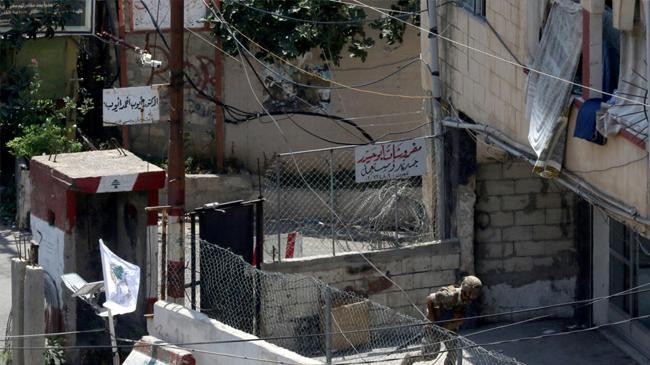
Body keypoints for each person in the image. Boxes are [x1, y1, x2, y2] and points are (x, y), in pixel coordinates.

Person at [401, 275, 482, 365]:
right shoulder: (449, 295)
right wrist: (431, 318)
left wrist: (457, 320)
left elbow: (461, 315)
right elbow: (429, 299)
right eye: (472, 293)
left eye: (475, 294)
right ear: (466, 290)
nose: (473, 297)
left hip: (449, 326)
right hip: (434, 325)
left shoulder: (467, 301)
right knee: (430, 355)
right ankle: (409, 358)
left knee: (454, 351)